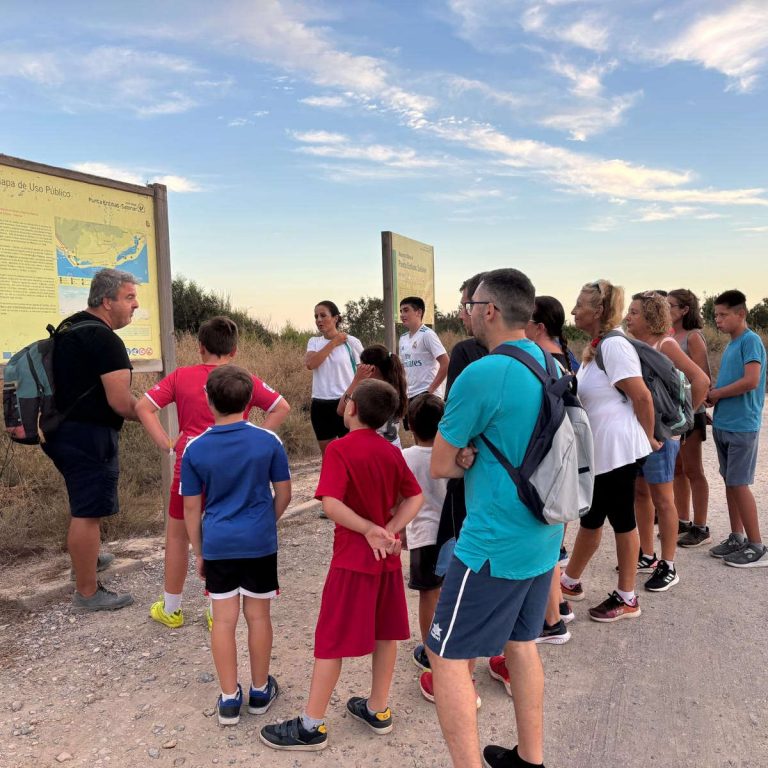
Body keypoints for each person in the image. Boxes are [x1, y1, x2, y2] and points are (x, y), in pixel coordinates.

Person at [428, 268, 562, 768]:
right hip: (543, 533)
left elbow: (441, 463)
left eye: (469, 304)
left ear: (489, 309)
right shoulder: (548, 363)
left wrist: (464, 454)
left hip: (492, 543)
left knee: (446, 656)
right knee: (522, 644)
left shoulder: (483, 373)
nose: (465, 313)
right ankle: (530, 759)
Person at [260, 380, 423, 752]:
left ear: (351, 408)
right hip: (387, 562)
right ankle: (378, 709)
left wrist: (369, 530)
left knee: (331, 640)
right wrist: (390, 530)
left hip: (352, 561)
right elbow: (415, 496)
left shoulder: (339, 449)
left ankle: (311, 725)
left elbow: (330, 504)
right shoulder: (391, 451)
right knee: (386, 634)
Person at [136, 316, 290, 629]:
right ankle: (213, 607)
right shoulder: (242, 377)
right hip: (235, 471)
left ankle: (172, 607)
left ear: (200, 347)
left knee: (178, 537)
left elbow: (144, 407)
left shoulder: (180, 376)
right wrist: (256, 438)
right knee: (221, 526)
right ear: (234, 350)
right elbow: (281, 406)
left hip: (189, 467)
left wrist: (168, 444)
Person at [181, 365, 291, 725]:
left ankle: (229, 699)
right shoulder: (268, 441)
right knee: (258, 616)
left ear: (208, 401)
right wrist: (264, 523)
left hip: (218, 544)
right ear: (249, 403)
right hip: (259, 543)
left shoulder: (195, 448)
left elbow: (191, 506)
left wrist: (199, 550)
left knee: (223, 621)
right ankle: (260, 691)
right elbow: (284, 494)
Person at [41, 268, 139, 612]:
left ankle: (89, 560)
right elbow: (121, 402)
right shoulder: (106, 340)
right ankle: (87, 593)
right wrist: (152, 412)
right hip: (87, 435)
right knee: (88, 512)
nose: (135, 305)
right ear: (106, 301)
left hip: (58, 430)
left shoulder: (71, 326)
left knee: (83, 503)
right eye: (129, 297)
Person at [560, 280, 655, 622]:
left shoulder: (614, 347)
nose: (574, 310)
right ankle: (570, 580)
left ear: (598, 311)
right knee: (592, 516)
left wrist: (649, 439)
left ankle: (627, 596)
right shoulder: (597, 347)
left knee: (622, 519)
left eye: (580, 304)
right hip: (602, 451)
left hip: (617, 450)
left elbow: (641, 396)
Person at [624, 292, 709, 592]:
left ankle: (669, 565)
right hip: (639, 436)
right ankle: (647, 555)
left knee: (663, 498)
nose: (629, 316)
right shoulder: (633, 345)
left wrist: (681, 426)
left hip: (661, 438)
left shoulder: (665, 344)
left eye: (635, 312)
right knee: (640, 494)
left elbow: (700, 380)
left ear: (650, 317)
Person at [707, 290, 767, 567]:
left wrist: (717, 394)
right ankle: (736, 537)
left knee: (739, 483)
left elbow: (751, 381)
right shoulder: (732, 344)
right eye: (716, 315)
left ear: (740, 314)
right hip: (723, 422)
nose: (717, 320)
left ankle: (757, 546)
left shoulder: (750, 341)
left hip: (742, 424)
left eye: (723, 314)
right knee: (731, 482)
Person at [400, 395, 448, 678]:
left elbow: (400, 498)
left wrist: (401, 530)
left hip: (423, 535)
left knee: (428, 594)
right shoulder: (454, 454)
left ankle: (430, 649)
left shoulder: (405, 457)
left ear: (411, 426)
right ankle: (453, 642)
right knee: (452, 593)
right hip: (454, 535)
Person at [668, 289, 713, 548]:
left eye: (671, 305)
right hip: (673, 415)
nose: (667, 309)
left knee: (694, 469)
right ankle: (682, 519)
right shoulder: (671, 337)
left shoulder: (694, 337)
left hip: (690, 413)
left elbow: (702, 377)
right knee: (677, 469)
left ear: (684, 310)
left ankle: (701, 526)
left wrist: (693, 410)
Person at [305, 301, 363, 457]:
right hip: (320, 404)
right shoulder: (314, 342)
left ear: (336, 318)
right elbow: (311, 363)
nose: (319, 320)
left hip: (345, 403)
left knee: (352, 453)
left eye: (323, 315)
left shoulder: (352, 342)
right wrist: (334, 342)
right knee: (329, 455)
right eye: (316, 316)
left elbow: (363, 371)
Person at [336, 344, 408, 447]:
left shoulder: (371, 391)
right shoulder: (397, 384)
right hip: (394, 446)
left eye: (361, 365)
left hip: (374, 448)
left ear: (372, 369)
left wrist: (356, 380)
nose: (358, 368)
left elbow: (341, 410)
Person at [398, 296, 449, 415]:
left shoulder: (427, 335)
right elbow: (402, 369)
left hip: (428, 397)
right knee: (414, 432)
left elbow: (446, 363)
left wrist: (429, 391)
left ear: (418, 312)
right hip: (410, 395)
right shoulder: (403, 338)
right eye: (401, 311)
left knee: (430, 433)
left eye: (406, 310)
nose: (402, 315)